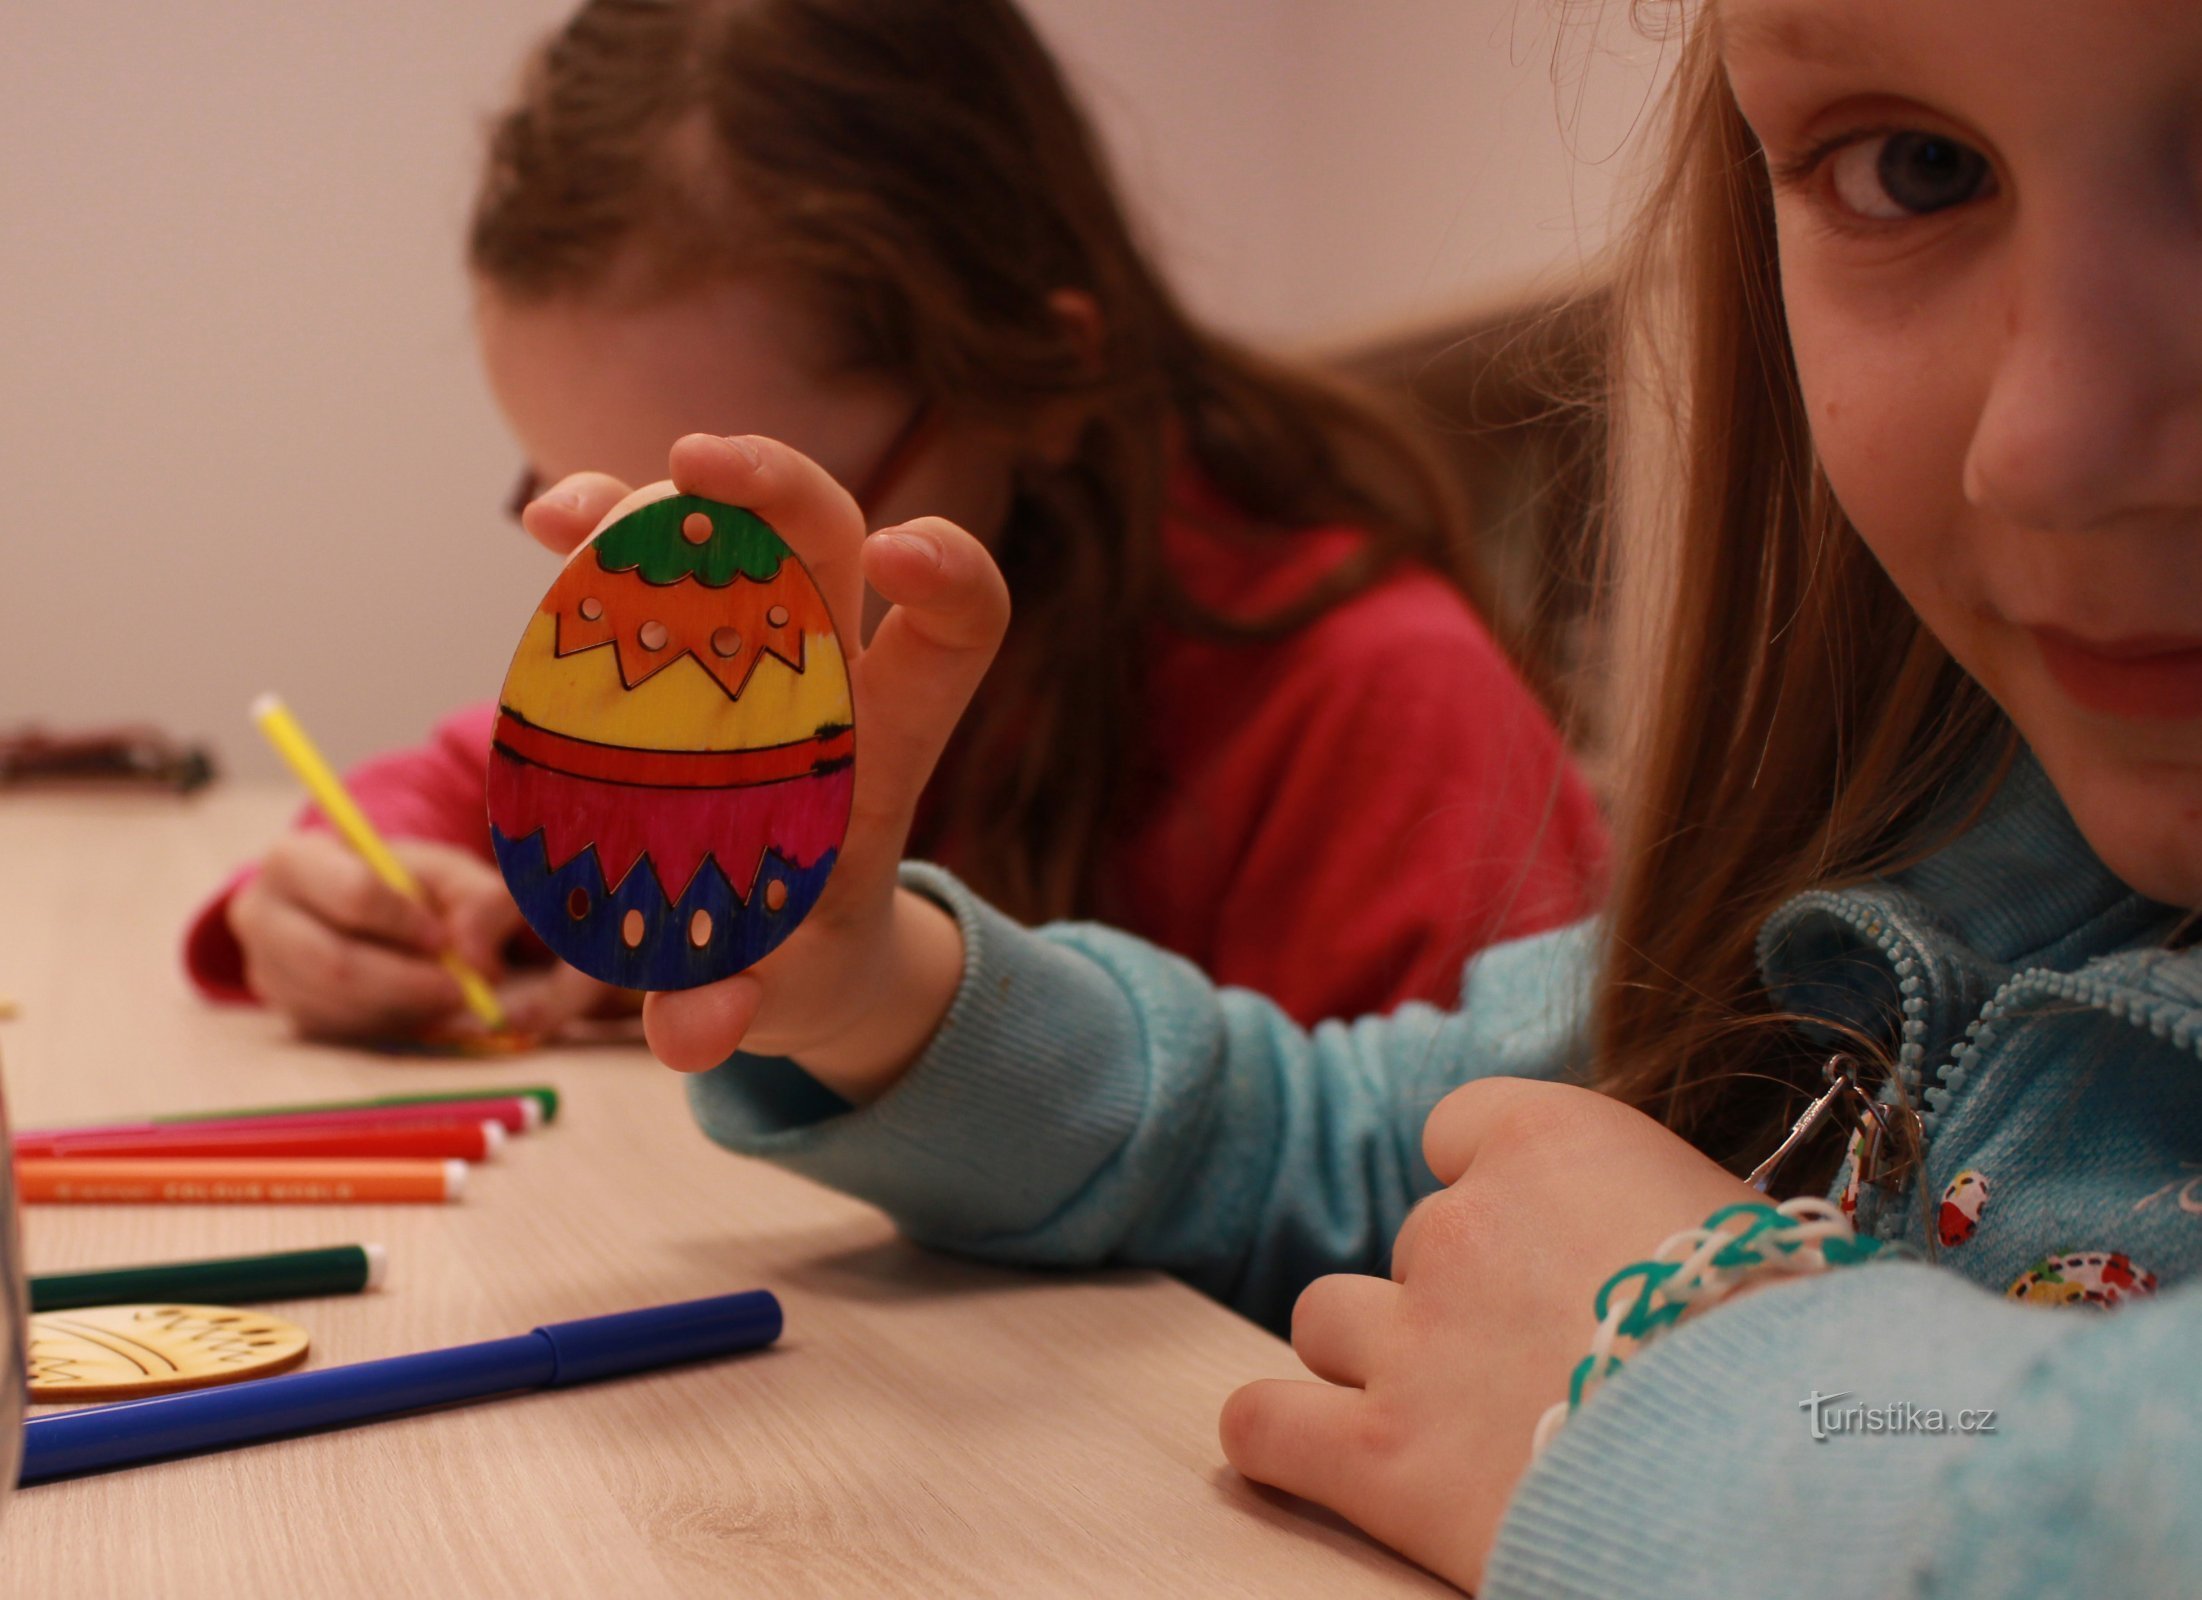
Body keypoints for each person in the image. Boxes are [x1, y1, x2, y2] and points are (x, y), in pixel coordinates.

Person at [548, 1, 2202, 1592]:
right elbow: (1341, 1156)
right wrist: (879, 989)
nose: (2041, 444)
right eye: (1912, 165)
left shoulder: (1362, 673)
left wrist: (1693, 1387)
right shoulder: (1918, 869)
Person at [186, 0, 1605, 1038]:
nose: (658, 625)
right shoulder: (745, 662)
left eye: (730, 533)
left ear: (1040, 379)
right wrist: (338, 900)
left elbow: (1500, 1235)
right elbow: (453, 797)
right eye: (598, 531)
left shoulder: (1376, 707)